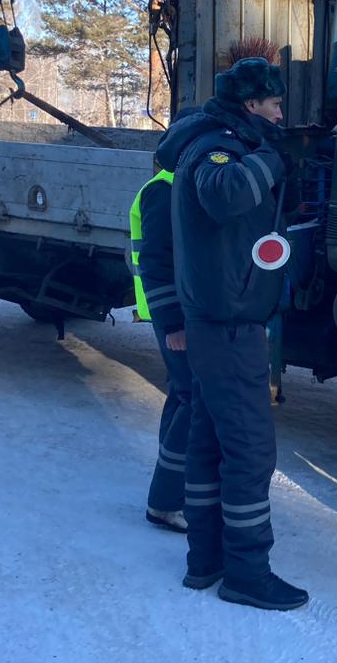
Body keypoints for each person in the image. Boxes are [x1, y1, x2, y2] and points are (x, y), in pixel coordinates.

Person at [155, 57, 308, 612]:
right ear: (251, 105)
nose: (280, 113)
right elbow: (223, 195)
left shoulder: (224, 140)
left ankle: (206, 560)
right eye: (273, 104)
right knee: (248, 450)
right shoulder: (213, 146)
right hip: (226, 323)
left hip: (224, 317)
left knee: (210, 439)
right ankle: (247, 571)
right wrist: (268, 158)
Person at [131, 110, 199, 533]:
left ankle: (174, 487)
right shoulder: (164, 191)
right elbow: (157, 263)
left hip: (175, 312)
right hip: (170, 314)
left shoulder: (179, 187)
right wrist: (173, 323)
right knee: (192, 399)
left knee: (182, 396)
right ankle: (165, 500)